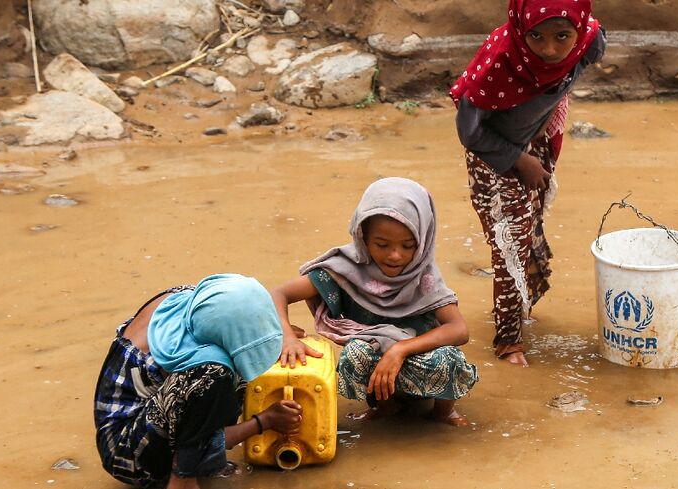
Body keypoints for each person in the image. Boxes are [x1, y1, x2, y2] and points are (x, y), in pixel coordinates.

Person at [450, 0, 606, 367]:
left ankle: (520, 308)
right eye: (535, 37)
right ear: (520, 29)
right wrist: (520, 161)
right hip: (493, 153)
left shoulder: (590, 41)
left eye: (561, 37)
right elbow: (469, 131)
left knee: (531, 226)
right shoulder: (499, 65)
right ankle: (508, 342)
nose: (549, 50)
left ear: (579, 31)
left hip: (534, 141)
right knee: (510, 243)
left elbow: (586, 51)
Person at [271, 177, 479, 427]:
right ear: (363, 237)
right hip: (376, 368)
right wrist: (287, 336)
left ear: (422, 243)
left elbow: (459, 330)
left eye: (407, 246)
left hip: (421, 364)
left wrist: (400, 349)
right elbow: (278, 293)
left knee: (448, 359)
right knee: (354, 354)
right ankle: (386, 406)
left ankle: (442, 412)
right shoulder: (346, 268)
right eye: (382, 245)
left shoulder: (424, 278)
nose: (395, 255)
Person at [94, 274, 303, 489]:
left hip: (149, 416)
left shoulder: (192, 300)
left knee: (223, 372)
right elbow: (201, 414)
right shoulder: (204, 370)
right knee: (217, 376)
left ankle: (191, 461)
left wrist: (267, 333)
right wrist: (264, 421)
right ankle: (182, 478)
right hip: (128, 455)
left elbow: (237, 309)